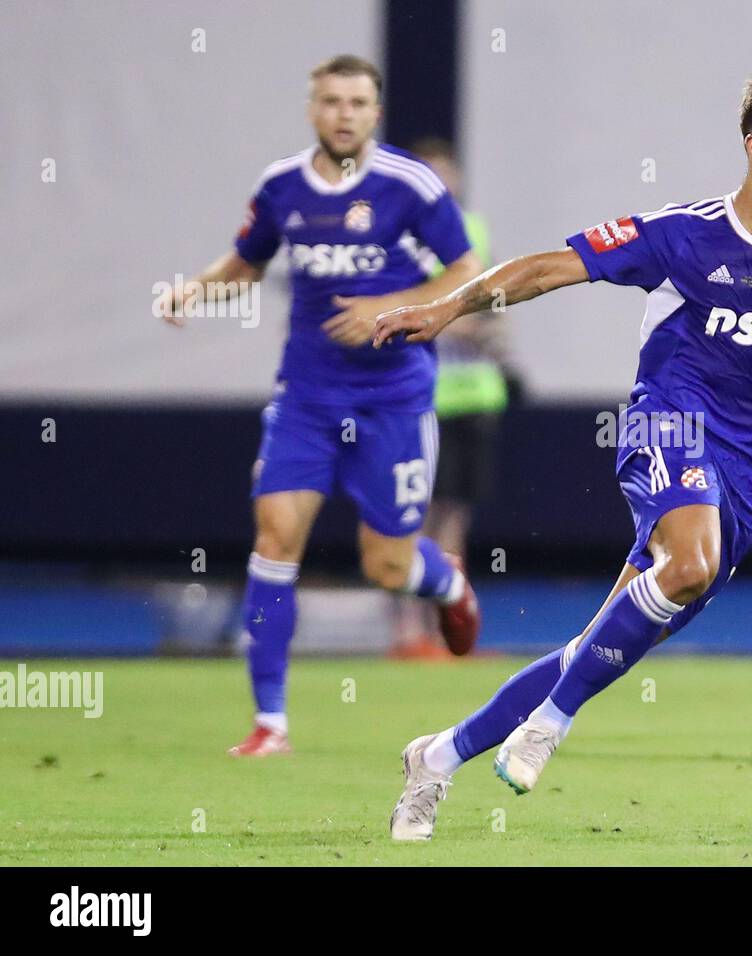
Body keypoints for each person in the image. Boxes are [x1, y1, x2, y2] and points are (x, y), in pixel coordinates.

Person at [373, 74, 752, 840]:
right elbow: (548, 267)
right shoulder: (683, 234)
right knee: (689, 564)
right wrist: (444, 306)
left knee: (600, 644)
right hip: (669, 425)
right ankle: (550, 725)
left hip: (751, 478)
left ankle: (439, 756)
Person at [161, 55, 483, 755]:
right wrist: (193, 289)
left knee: (387, 568)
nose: (343, 112)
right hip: (306, 397)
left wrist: (389, 305)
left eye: (358, 101)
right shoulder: (281, 187)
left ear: (375, 112)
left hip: (391, 401)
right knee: (275, 537)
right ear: (314, 110)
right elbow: (247, 261)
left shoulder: (411, 186)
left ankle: (448, 583)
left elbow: (465, 273)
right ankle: (270, 721)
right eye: (331, 101)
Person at [391, 138, 512, 659]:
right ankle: (407, 632)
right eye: (430, 175)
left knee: (455, 522)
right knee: (414, 517)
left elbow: (497, 303)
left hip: (475, 397)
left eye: (448, 175)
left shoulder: (473, 231)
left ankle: (447, 632)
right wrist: (455, 321)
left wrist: (487, 328)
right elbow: (407, 312)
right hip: (425, 399)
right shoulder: (401, 237)